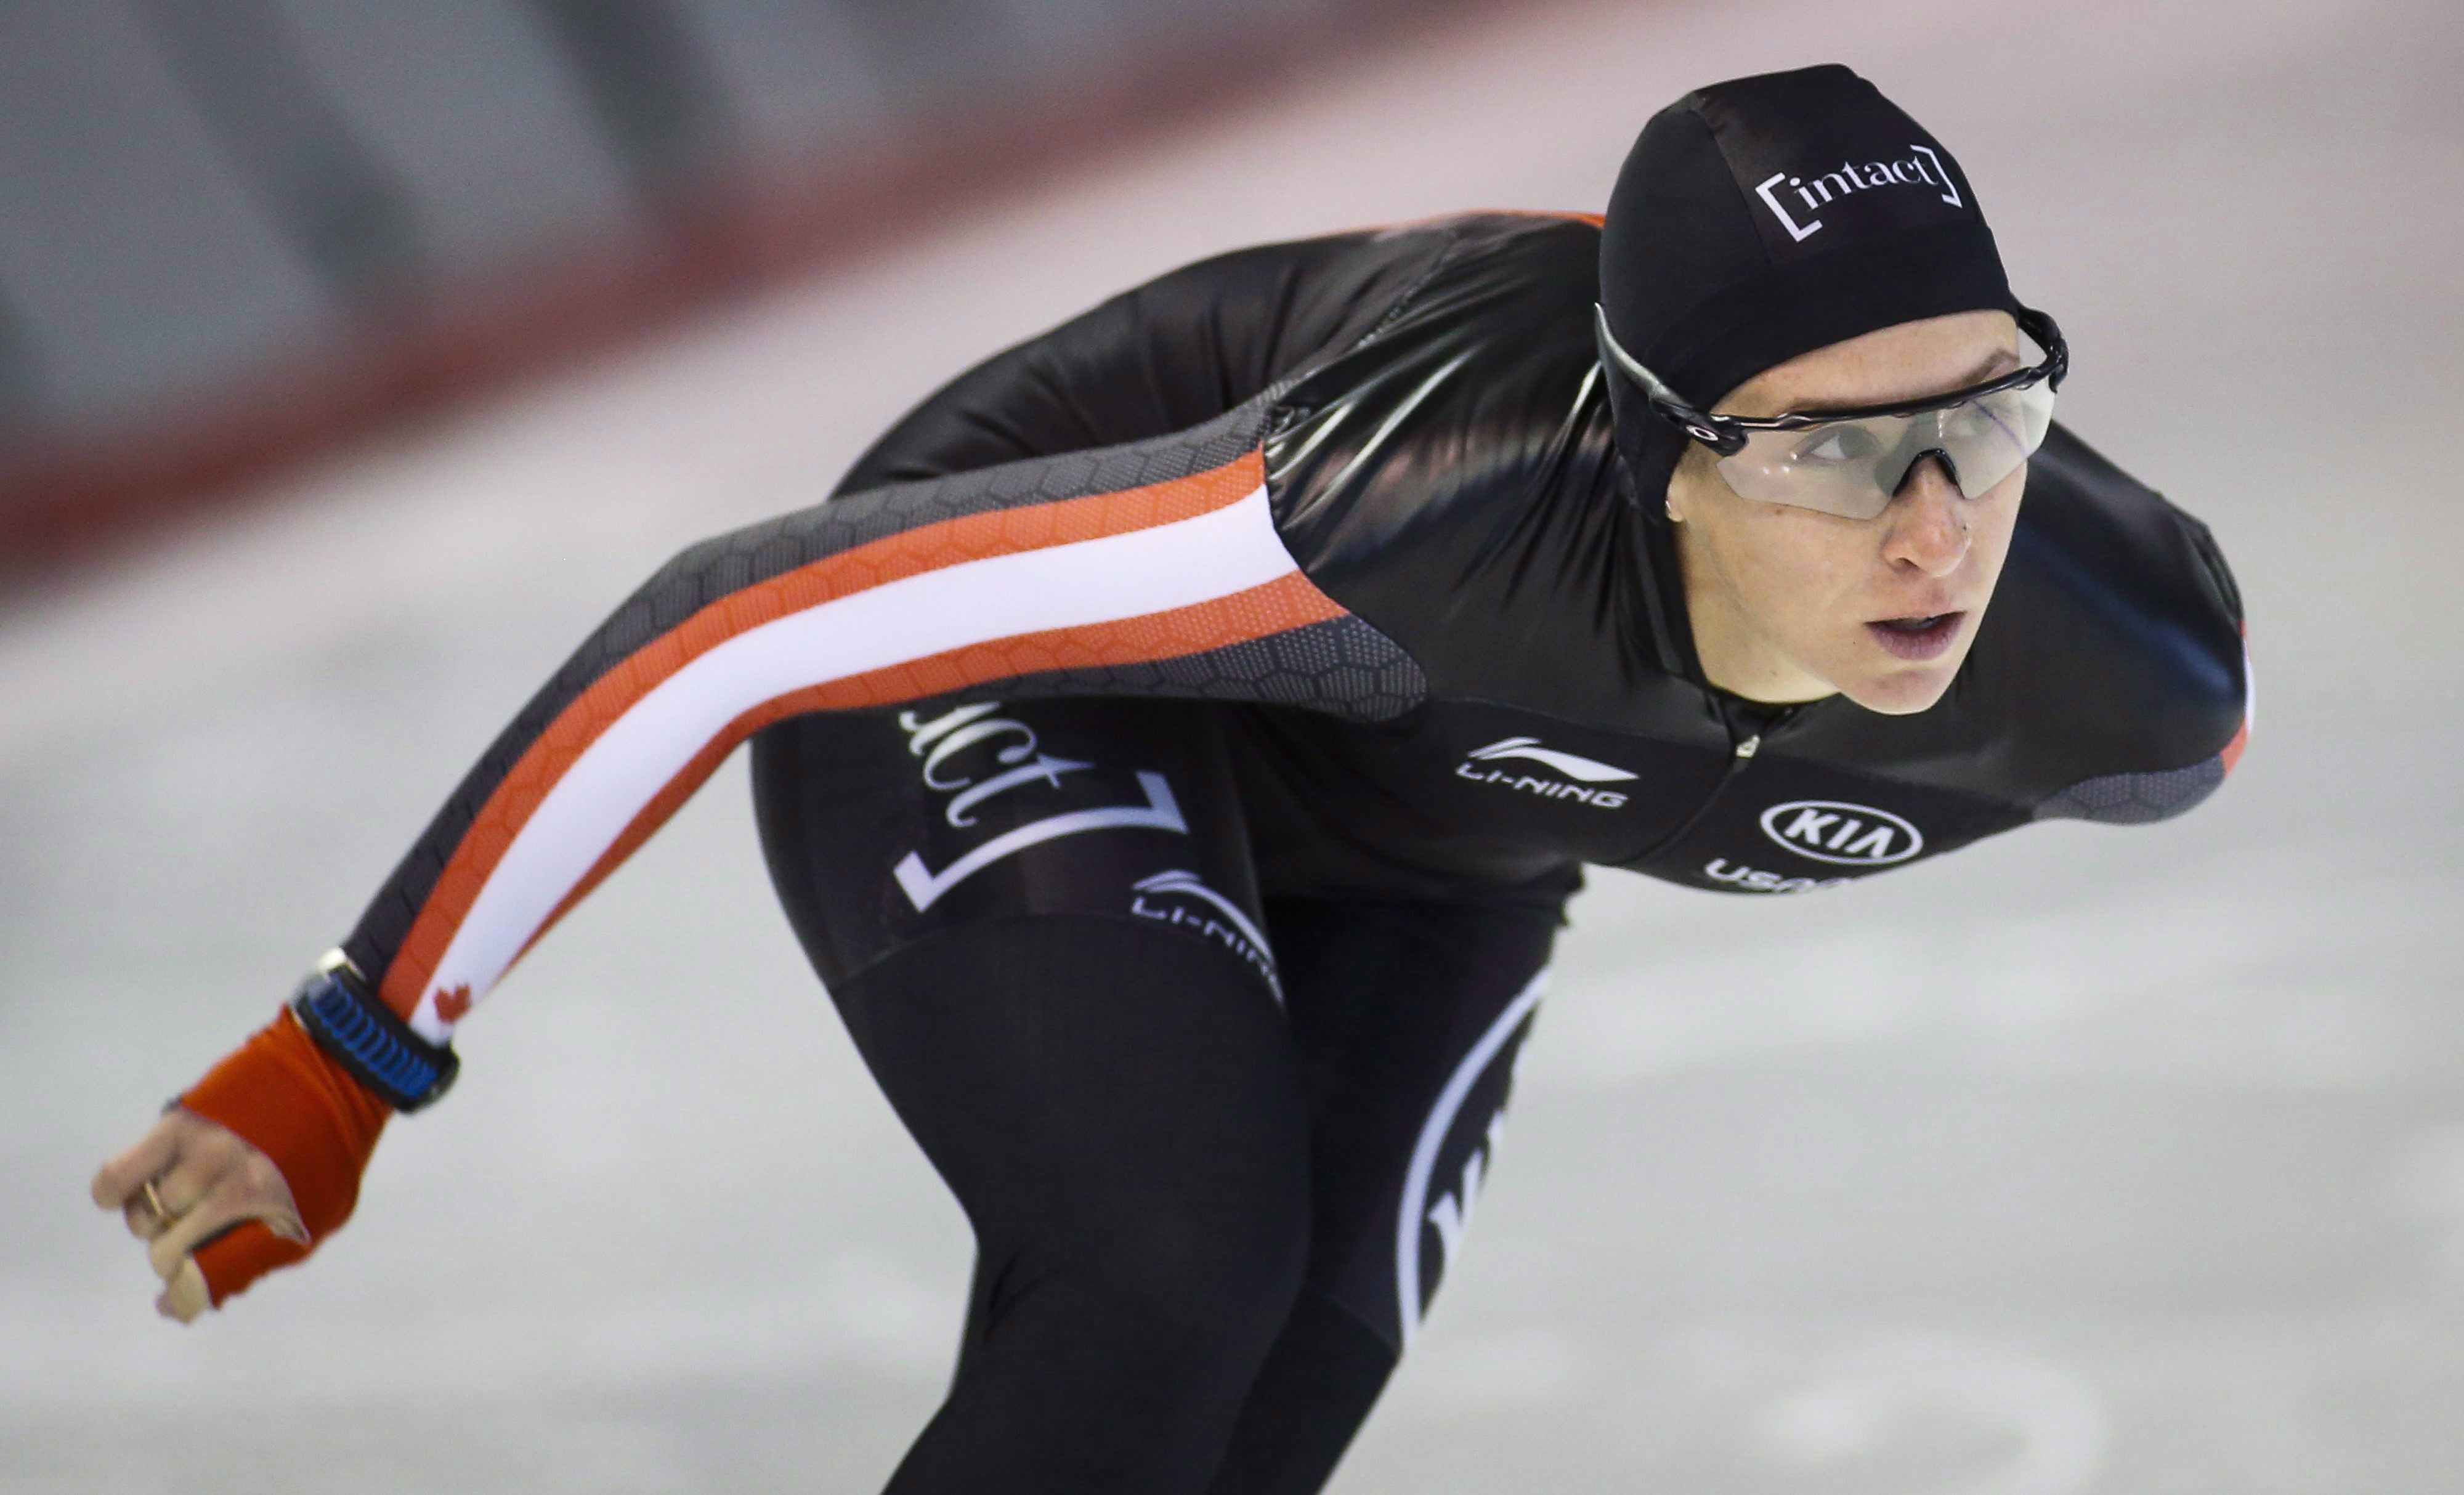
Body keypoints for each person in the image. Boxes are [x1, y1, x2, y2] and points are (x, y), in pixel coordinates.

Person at [92, 64, 2248, 1494]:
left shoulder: (2129, 679)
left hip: (1434, 825)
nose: (1940, 529)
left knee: (1273, 1395)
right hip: (1068, 662)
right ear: (1661, 448)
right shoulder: (1401, 503)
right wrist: (354, 1046)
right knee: (1168, 1270)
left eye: (1989, 416)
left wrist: (1922, 444)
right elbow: (732, 618)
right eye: (1841, 445)